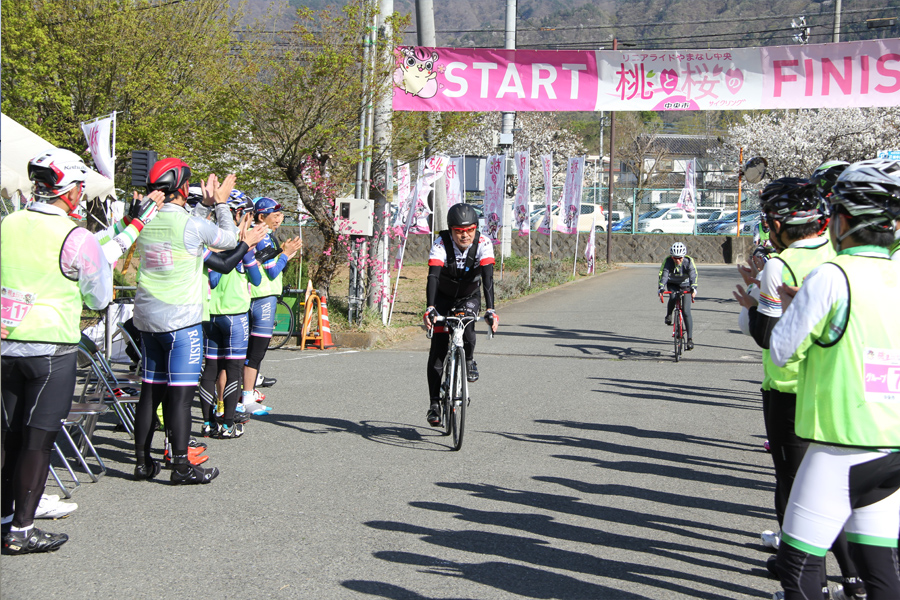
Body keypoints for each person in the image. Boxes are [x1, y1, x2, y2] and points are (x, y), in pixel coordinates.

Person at [1, 149, 159, 554]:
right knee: (38, 441)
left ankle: (5, 519)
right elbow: (99, 294)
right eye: (80, 190)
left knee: (9, 437)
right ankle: (21, 530)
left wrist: (127, 225)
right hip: (52, 348)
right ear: (69, 193)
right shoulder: (76, 236)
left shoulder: (10, 222)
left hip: (6, 343)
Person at [769, 158, 900, 600]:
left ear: (841, 221)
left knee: (798, 563)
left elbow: (783, 349)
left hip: (839, 442)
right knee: (879, 566)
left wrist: (794, 308)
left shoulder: (833, 275)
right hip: (892, 446)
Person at [733, 177, 866, 599]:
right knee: (834, 486)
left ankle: (808, 584)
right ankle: (854, 577)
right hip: (833, 386)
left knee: (793, 490)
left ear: (777, 222)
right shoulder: (838, 254)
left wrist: (754, 302)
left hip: (787, 390)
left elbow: (770, 338)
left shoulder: (781, 264)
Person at [132, 158, 239, 485]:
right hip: (181, 322)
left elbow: (184, 227)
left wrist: (203, 207)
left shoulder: (144, 221)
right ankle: (180, 466)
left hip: (148, 318)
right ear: (182, 189)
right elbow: (229, 239)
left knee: (150, 392)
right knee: (179, 395)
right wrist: (220, 203)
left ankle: (142, 463)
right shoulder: (191, 225)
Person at [423, 203, 498, 427]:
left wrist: (491, 309)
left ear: (476, 229)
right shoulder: (440, 243)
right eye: (458, 231)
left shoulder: (484, 243)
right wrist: (430, 307)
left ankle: (469, 359)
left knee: (467, 326)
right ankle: (435, 404)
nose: (464, 235)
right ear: (451, 230)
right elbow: (433, 277)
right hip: (443, 298)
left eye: (469, 230)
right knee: (438, 347)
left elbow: (488, 279)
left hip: (469, 296)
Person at [198, 194, 262, 438]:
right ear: (241, 216)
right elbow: (256, 280)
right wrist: (247, 255)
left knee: (210, 369)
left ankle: (207, 423)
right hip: (235, 315)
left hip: (211, 314)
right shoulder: (241, 245)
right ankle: (227, 424)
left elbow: (212, 278)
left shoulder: (211, 240)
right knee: (234, 368)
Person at [242, 197, 302, 411]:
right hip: (262, 297)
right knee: (255, 353)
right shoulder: (263, 238)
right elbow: (273, 271)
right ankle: (246, 396)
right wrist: (286, 254)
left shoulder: (256, 235)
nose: (280, 219)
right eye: (275, 215)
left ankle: (246, 392)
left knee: (245, 352)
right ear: (261, 217)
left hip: (253, 297)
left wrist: (285, 254)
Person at [658, 242, 698, 350]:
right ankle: (669, 315)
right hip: (673, 284)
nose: (677, 260)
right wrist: (661, 287)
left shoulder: (688, 261)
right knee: (672, 297)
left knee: (686, 311)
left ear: (683, 256)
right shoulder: (668, 261)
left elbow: (693, 275)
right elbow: (664, 275)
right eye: (675, 258)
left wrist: (694, 288)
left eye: (680, 258)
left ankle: (690, 339)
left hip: (685, 285)